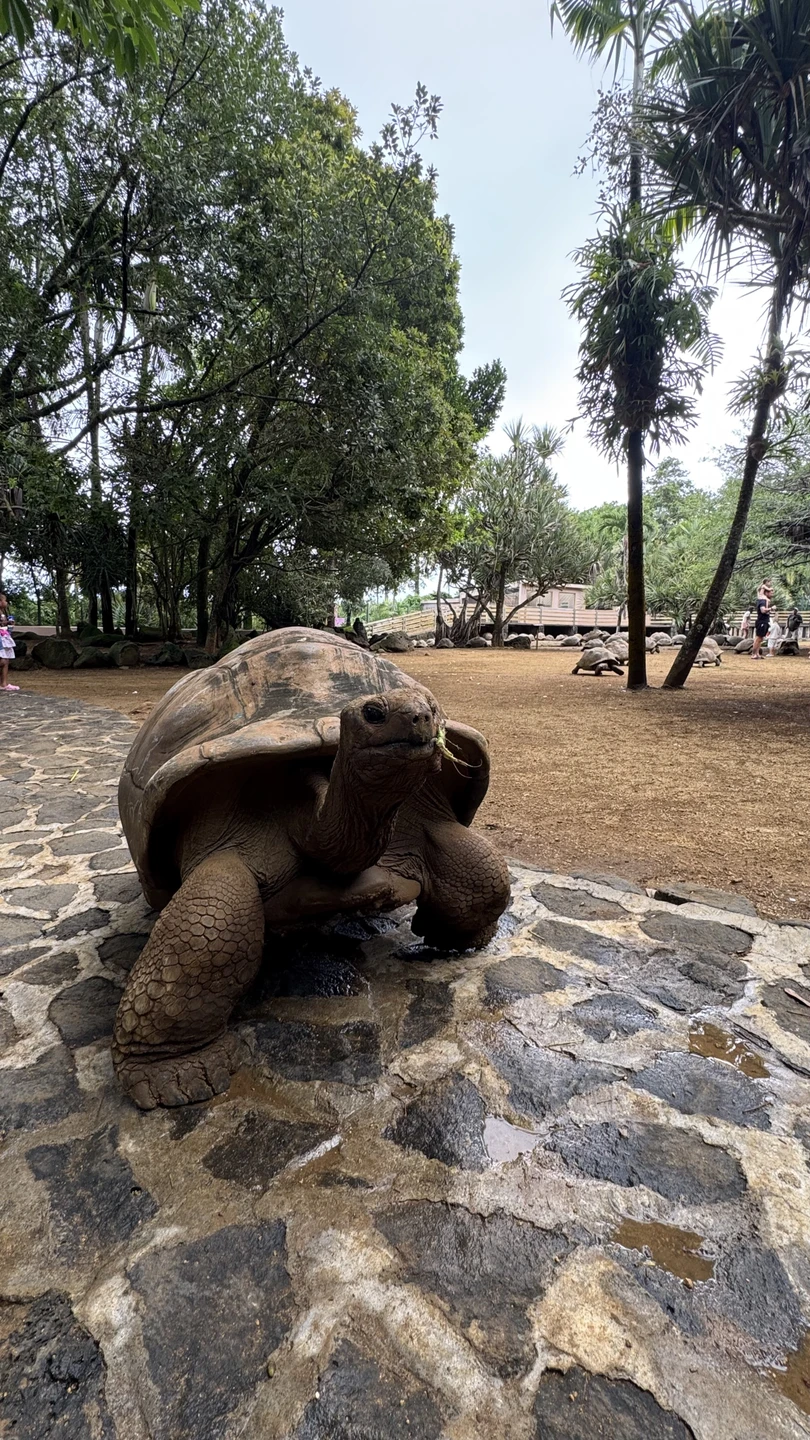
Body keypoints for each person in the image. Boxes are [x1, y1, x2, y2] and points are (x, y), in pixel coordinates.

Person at [0, 592, 19, 691]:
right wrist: (6, 622)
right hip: (0, 638)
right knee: (2, 660)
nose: (6, 602)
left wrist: (9, 625)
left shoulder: (3, 613)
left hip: (4, 636)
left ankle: (4, 683)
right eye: (4, 600)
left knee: (6, 660)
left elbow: (4, 625)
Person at [751, 582, 773, 659]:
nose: (772, 594)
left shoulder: (765, 599)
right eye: (771, 592)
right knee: (758, 638)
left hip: (765, 621)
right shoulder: (762, 600)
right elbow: (763, 610)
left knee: (761, 638)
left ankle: (757, 654)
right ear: (766, 592)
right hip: (761, 621)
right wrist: (771, 609)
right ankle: (753, 654)